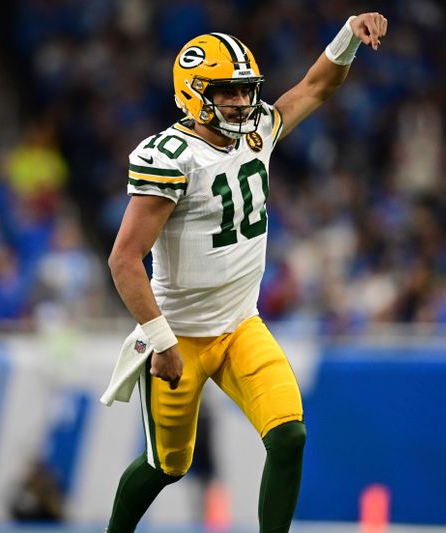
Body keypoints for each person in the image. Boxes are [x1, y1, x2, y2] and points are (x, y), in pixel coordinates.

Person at [105, 12, 388, 533]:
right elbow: (124, 259)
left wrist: (348, 32)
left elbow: (316, 86)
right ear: (193, 93)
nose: (241, 103)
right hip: (180, 335)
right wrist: (160, 338)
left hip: (239, 324)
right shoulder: (171, 157)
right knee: (166, 465)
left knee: (289, 435)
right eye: (228, 92)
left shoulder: (258, 131)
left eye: (245, 91)